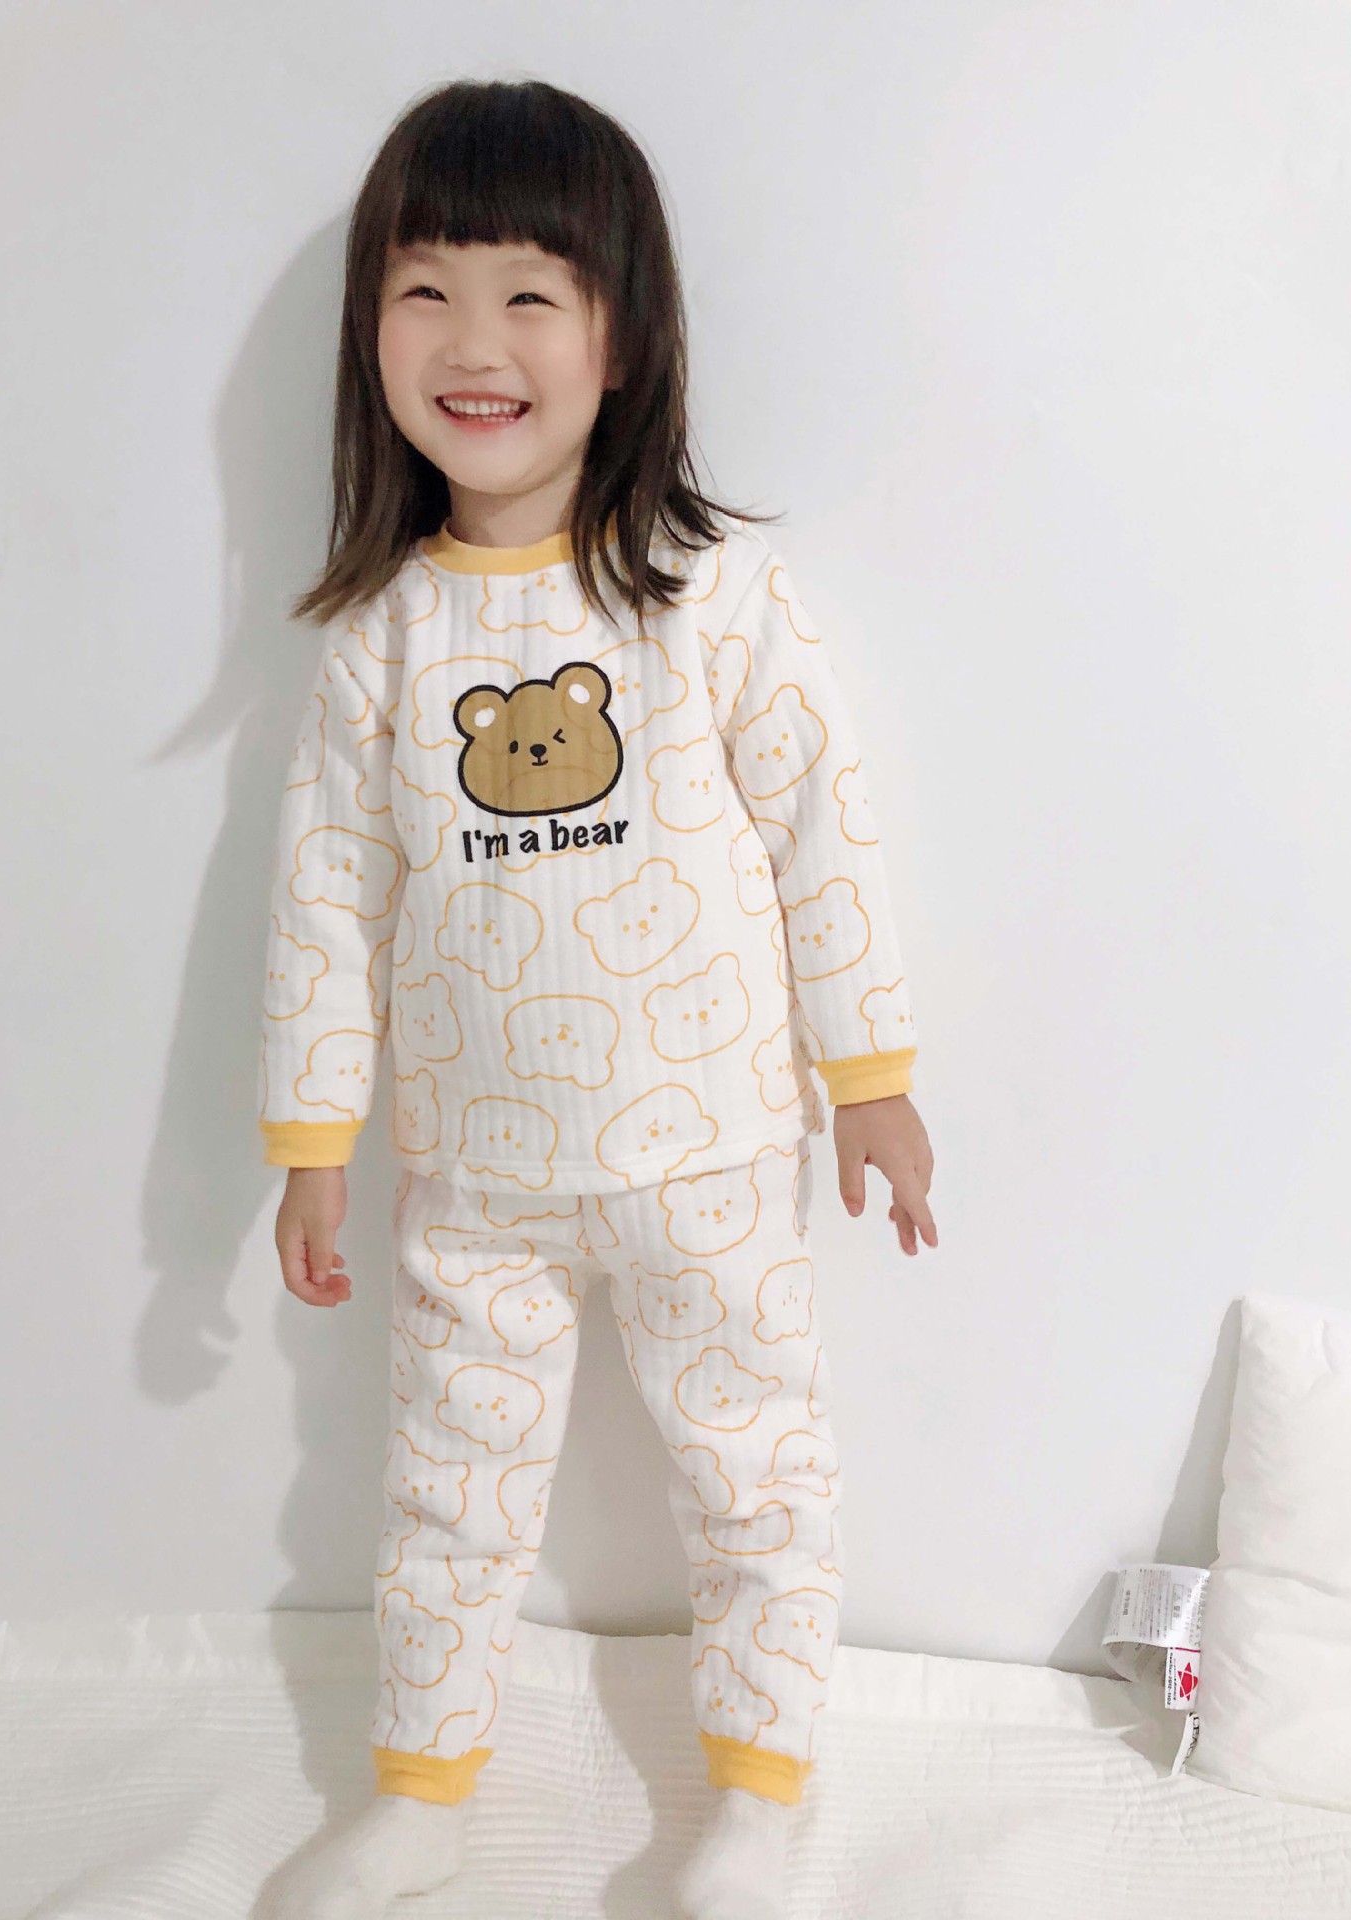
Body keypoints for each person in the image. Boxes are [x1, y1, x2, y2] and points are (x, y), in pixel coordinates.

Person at [258, 75, 938, 1920]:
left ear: (621, 337)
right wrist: (310, 1140)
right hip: (473, 1176)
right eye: (425, 291)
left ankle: (761, 1798)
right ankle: (420, 1792)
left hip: (709, 1147)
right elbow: (325, 899)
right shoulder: (384, 642)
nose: (474, 344)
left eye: (529, 294)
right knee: (447, 1492)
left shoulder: (711, 596)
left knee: (755, 1474)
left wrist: (871, 1075)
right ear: (370, 333)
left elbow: (824, 835)